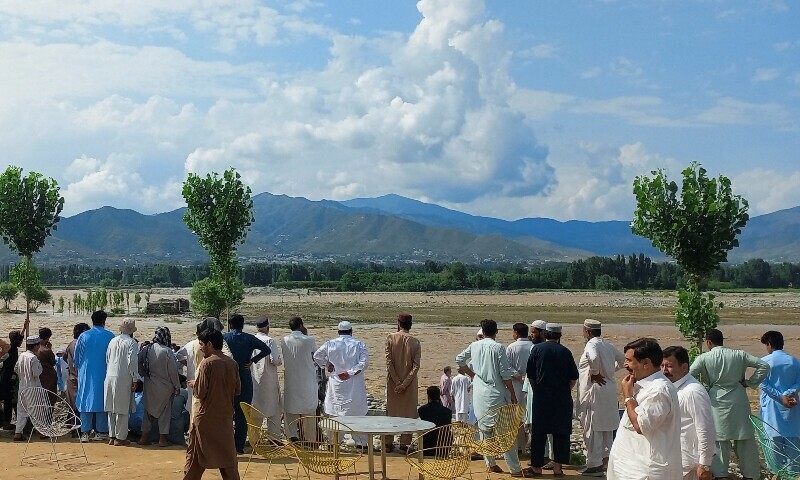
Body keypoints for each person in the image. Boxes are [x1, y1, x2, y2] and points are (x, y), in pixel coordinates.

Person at [456, 319, 532, 478]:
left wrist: (473, 375)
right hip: (496, 393)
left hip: (479, 393)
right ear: (496, 332)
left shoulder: (475, 345)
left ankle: (490, 463)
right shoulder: (498, 348)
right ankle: (515, 469)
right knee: (505, 432)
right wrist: (511, 392)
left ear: (482, 332)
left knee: (484, 429)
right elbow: (505, 374)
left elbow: (459, 360)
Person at [690, 328, 769, 480]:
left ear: (708, 342)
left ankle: (720, 475)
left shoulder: (704, 358)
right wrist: (750, 383)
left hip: (717, 397)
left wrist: (704, 388)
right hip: (738, 396)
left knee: (720, 439)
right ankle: (750, 474)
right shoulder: (739, 354)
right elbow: (764, 366)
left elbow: (690, 373)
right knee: (744, 437)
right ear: (722, 340)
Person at [607, 338, 682, 480]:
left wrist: (628, 397)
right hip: (628, 467)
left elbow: (641, 425)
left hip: (644, 471)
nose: (625, 365)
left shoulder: (658, 390)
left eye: (629, 360)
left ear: (646, 363)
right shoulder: (641, 385)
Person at [184, 328, 241, 480]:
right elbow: (237, 390)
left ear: (209, 344)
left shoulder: (206, 364)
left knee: (195, 462)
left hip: (205, 420)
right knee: (228, 462)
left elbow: (200, 393)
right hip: (225, 419)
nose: (200, 347)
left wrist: (195, 384)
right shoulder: (232, 363)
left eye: (201, 344)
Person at [526, 323, 579, 477]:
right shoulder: (565, 352)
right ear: (559, 336)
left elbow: (530, 375)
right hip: (561, 399)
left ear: (545, 334)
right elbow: (573, 377)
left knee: (539, 433)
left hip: (542, 397)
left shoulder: (537, 349)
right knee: (561, 433)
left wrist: (537, 390)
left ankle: (536, 468)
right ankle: (557, 467)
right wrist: (566, 390)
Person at [576, 319, 626, 476]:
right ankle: (606, 462)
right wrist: (610, 371)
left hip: (595, 391)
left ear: (588, 332)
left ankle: (594, 465)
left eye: (584, 330)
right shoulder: (608, 345)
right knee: (606, 427)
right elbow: (624, 360)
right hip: (608, 390)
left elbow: (594, 358)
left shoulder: (592, 344)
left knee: (593, 427)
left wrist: (596, 373)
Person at [662, 346, 716, 480]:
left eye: (669, 366)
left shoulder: (692, 391)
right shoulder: (673, 388)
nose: (664, 371)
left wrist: (705, 464)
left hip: (689, 462)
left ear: (684, 367)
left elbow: (705, 429)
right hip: (675, 458)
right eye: (662, 366)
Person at [314, 320, 369, 448]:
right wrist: (350, 372)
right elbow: (364, 363)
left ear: (338, 332)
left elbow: (317, 356)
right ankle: (361, 443)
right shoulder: (359, 344)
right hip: (354, 384)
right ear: (351, 331)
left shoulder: (330, 344)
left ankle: (334, 443)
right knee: (357, 415)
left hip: (336, 384)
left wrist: (327, 364)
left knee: (335, 414)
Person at [224, 314, 271, 454]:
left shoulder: (225, 338)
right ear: (242, 325)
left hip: (228, 378)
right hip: (244, 377)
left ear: (230, 325)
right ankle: (238, 446)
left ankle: (226, 444)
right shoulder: (249, 338)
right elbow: (266, 350)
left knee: (226, 412)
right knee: (243, 413)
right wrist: (253, 360)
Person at [176, 318, 233, 424]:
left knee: (195, 416)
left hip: (195, 385)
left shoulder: (192, 344)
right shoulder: (220, 345)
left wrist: (188, 363)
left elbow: (178, 356)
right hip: (212, 388)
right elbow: (230, 358)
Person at [759, 330, 800, 476]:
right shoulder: (794, 361)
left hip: (772, 409)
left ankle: (776, 475)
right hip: (792, 408)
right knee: (794, 448)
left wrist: (779, 396)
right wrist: (788, 393)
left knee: (773, 446)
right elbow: (798, 382)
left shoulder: (765, 362)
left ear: (769, 344)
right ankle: (793, 476)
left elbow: (763, 384)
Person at [74, 311, 115, 441]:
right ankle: (101, 431)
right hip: (105, 371)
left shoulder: (84, 336)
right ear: (104, 321)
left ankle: (85, 432)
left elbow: (77, 358)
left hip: (86, 372)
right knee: (103, 399)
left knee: (86, 399)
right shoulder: (110, 336)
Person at [384, 312, 422, 453]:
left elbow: (389, 363)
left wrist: (397, 382)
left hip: (393, 384)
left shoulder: (390, 338)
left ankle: (388, 442)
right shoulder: (415, 342)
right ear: (410, 325)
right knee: (409, 412)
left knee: (391, 412)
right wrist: (404, 384)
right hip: (409, 385)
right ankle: (404, 444)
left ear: (398, 323)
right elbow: (415, 367)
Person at [138, 326, 181, 447]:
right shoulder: (167, 351)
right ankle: (162, 440)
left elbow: (138, 362)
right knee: (164, 413)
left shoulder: (147, 348)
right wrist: (177, 386)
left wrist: (144, 374)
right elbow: (173, 371)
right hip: (165, 387)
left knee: (147, 412)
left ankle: (143, 438)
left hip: (149, 384)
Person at [281, 316, 318, 442]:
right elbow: (316, 356)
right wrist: (306, 334)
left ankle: (292, 436)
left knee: (290, 410)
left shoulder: (284, 340)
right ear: (301, 325)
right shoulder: (310, 340)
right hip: (307, 380)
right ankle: (310, 439)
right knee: (309, 411)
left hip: (291, 380)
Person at [104, 318, 139, 446]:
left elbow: (107, 358)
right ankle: (120, 437)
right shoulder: (131, 343)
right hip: (123, 378)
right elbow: (132, 362)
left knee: (111, 408)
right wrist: (134, 378)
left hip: (109, 376)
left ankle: (112, 436)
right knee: (122, 409)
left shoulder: (113, 341)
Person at [251, 316, 282, 436]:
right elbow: (275, 360)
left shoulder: (252, 340)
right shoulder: (270, 341)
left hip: (255, 380)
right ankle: (274, 438)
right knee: (273, 410)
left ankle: (254, 438)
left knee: (256, 409)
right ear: (267, 327)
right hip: (268, 380)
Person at [507, 323, 533, 455]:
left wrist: (518, 377)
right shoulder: (533, 347)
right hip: (531, 385)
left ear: (516, 333)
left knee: (516, 417)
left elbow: (507, 367)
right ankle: (527, 446)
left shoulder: (511, 347)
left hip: (516, 386)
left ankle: (517, 447)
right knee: (528, 416)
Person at [13, 335, 43, 441]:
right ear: (35, 346)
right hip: (33, 387)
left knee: (21, 411)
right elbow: (36, 373)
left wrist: (23, 375)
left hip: (22, 386)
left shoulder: (22, 355)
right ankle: (41, 432)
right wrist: (40, 366)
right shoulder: (33, 358)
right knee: (37, 409)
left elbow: (16, 369)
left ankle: (18, 432)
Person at [63, 322, 90, 416]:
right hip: (80, 379)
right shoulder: (82, 344)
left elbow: (64, 357)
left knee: (72, 405)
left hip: (72, 378)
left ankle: (74, 426)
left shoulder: (71, 343)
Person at [418, 386, 452, 455]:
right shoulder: (447, 411)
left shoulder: (422, 410)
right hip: (443, 447)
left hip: (427, 447)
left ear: (428, 396)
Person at [1, 330, 24, 430]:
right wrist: (24, 327)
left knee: (8, 399)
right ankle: (7, 422)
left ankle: (8, 421)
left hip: (6, 376)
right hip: (8, 377)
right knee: (9, 399)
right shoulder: (11, 348)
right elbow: (18, 340)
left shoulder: (11, 348)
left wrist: (24, 327)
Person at [37, 328, 58, 398]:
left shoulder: (34, 348)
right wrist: (49, 349)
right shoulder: (46, 350)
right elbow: (53, 362)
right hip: (48, 376)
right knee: (50, 398)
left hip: (38, 377)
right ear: (48, 338)